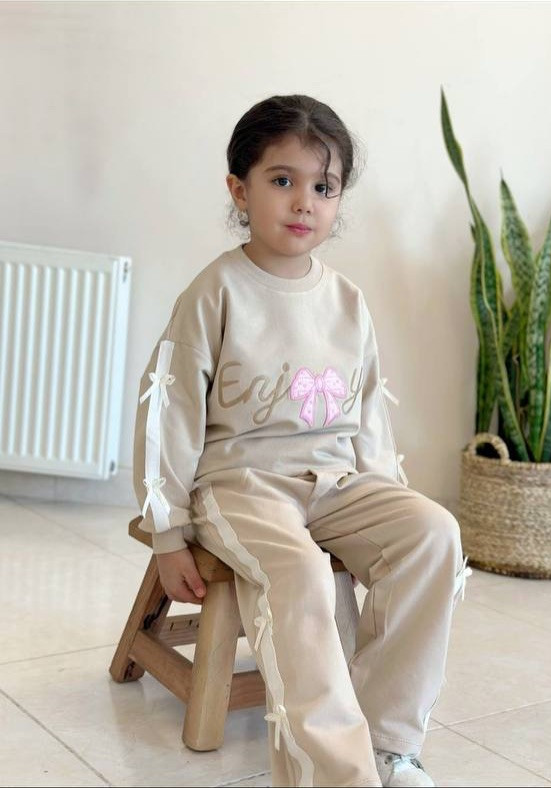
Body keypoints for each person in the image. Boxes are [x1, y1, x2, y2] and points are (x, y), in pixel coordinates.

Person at [132, 94, 471, 788]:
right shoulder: (215, 292)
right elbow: (170, 410)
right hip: (241, 484)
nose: (303, 203)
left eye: (324, 187)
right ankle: (337, 775)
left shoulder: (346, 300)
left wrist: (381, 506)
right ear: (239, 190)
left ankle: (388, 745)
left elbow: (368, 411)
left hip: (338, 481)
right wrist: (168, 532)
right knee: (302, 574)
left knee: (433, 533)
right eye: (282, 180)